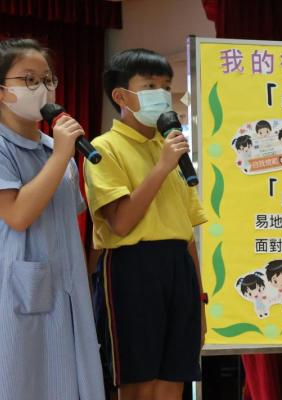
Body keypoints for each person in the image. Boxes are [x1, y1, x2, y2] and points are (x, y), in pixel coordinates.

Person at [84, 48, 207, 400]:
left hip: (179, 268)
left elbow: (187, 234)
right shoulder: (103, 148)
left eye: (166, 86)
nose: (162, 94)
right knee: (139, 381)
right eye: (150, 85)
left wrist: (199, 298)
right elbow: (121, 222)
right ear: (121, 96)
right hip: (132, 269)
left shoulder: (169, 148)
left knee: (174, 379)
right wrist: (162, 167)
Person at [0, 38, 104, 399]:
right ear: (2, 91)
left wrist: (60, 153)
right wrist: (61, 155)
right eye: (29, 80)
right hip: (18, 290)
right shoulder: (10, 147)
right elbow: (17, 215)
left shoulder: (54, 148)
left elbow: (69, 219)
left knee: (71, 382)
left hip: (68, 286)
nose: (42, 88)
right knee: (22, 381)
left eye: (47, 79)